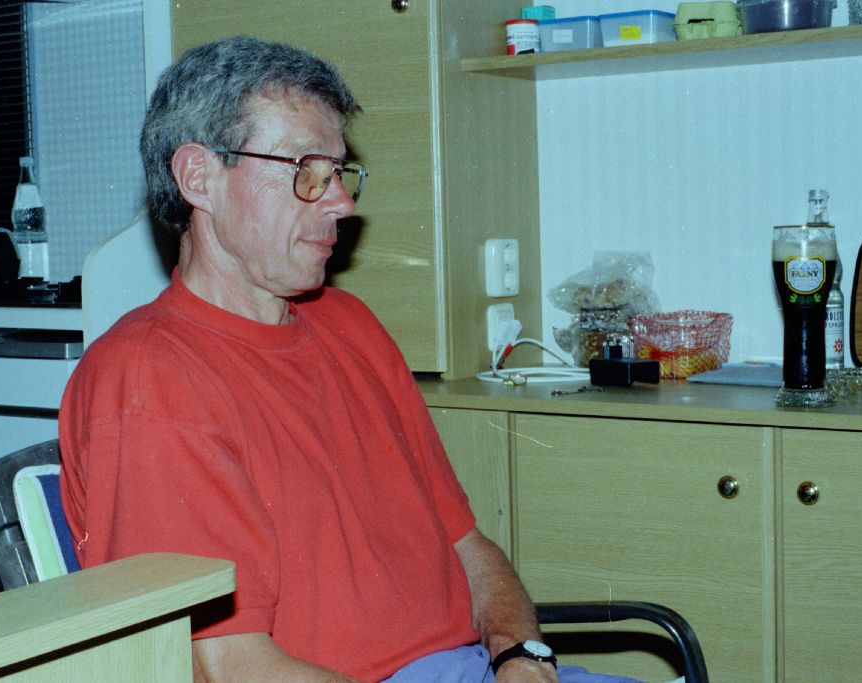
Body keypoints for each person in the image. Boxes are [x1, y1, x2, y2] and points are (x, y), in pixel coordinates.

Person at [59, 36, 635, 683]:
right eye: (306, 169)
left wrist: (521, 655)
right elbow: (230, 669)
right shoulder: (150, 380)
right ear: (199, 177)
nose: (340, 201)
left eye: (338, 172)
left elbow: (465, 544)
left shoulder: (349, 323)